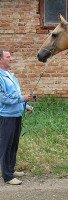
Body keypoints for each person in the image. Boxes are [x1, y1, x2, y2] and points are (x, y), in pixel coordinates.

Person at [0, 49, 33, 185]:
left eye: (10, 56)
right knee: (6, 145)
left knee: (14, 144)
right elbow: (3, 97)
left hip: (17, 115)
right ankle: (7, 176)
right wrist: (21, 98)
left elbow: (17, 95)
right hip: (6, 117)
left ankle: (11, 169)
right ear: (0, 59)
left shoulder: (12, 76)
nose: (11, 59)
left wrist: (26, 105)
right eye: (8, 57)